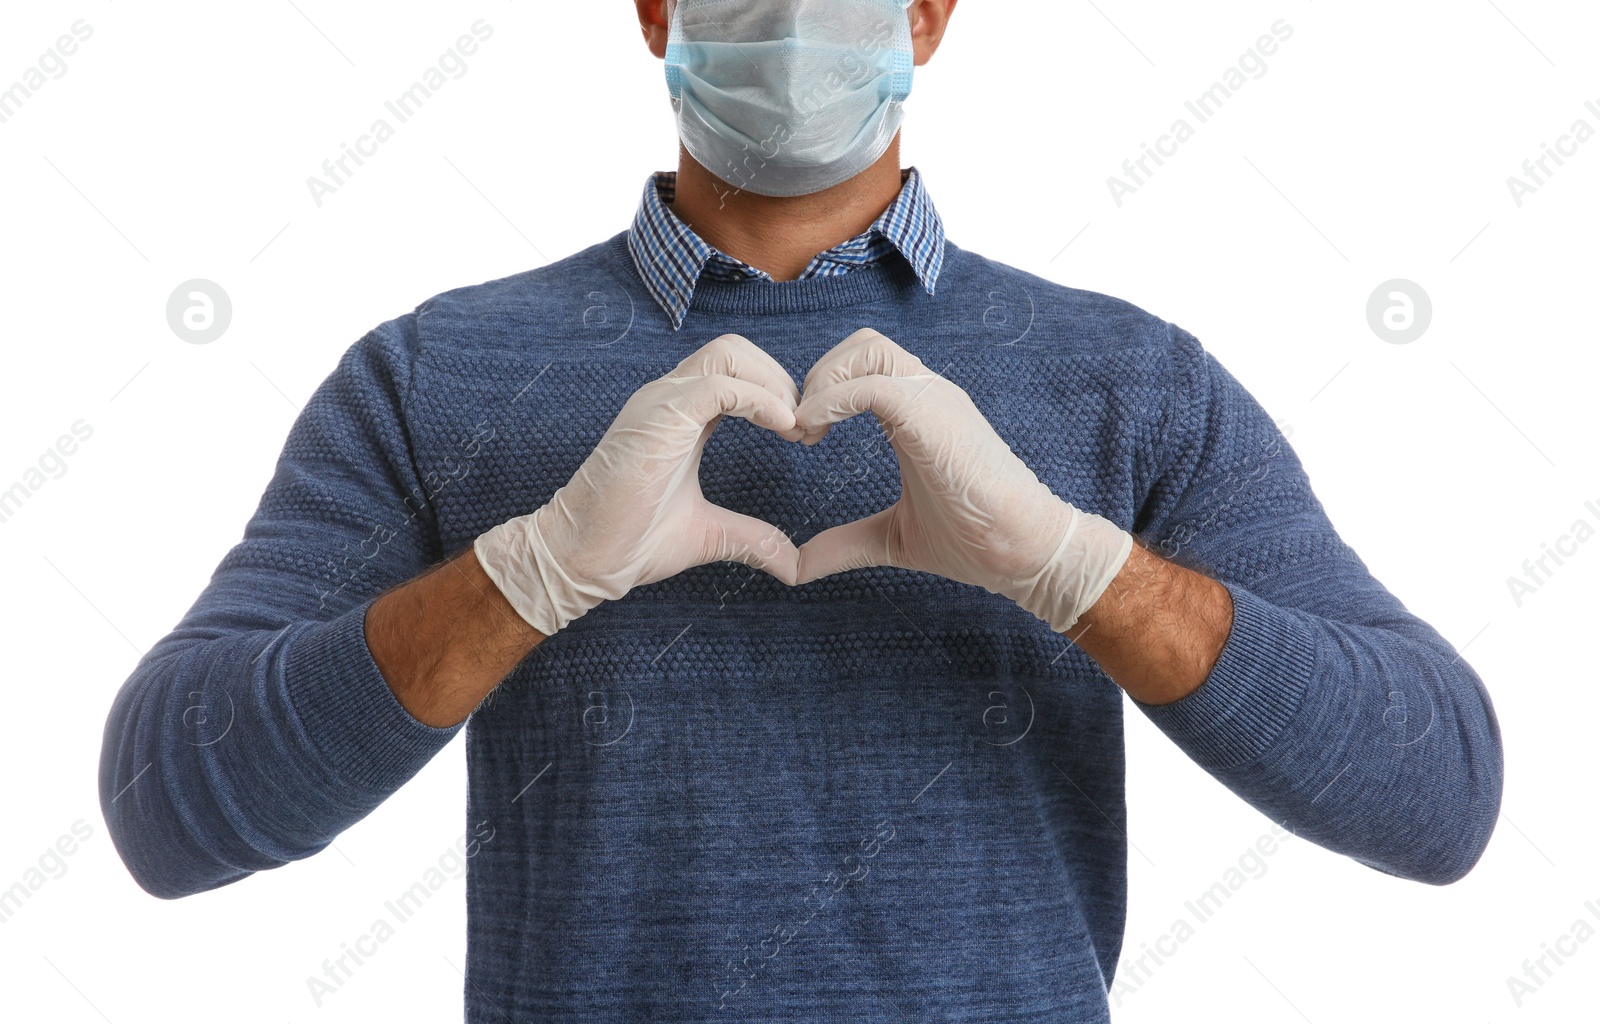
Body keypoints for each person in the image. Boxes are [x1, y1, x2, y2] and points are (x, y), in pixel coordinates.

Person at [98, 0, 1504, 1019]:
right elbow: (168, 805)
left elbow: (1438, 788)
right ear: (652, 11)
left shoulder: (1126, 380)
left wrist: (1080, 569)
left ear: (933, 15)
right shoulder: (437, 376)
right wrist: (521, 577)